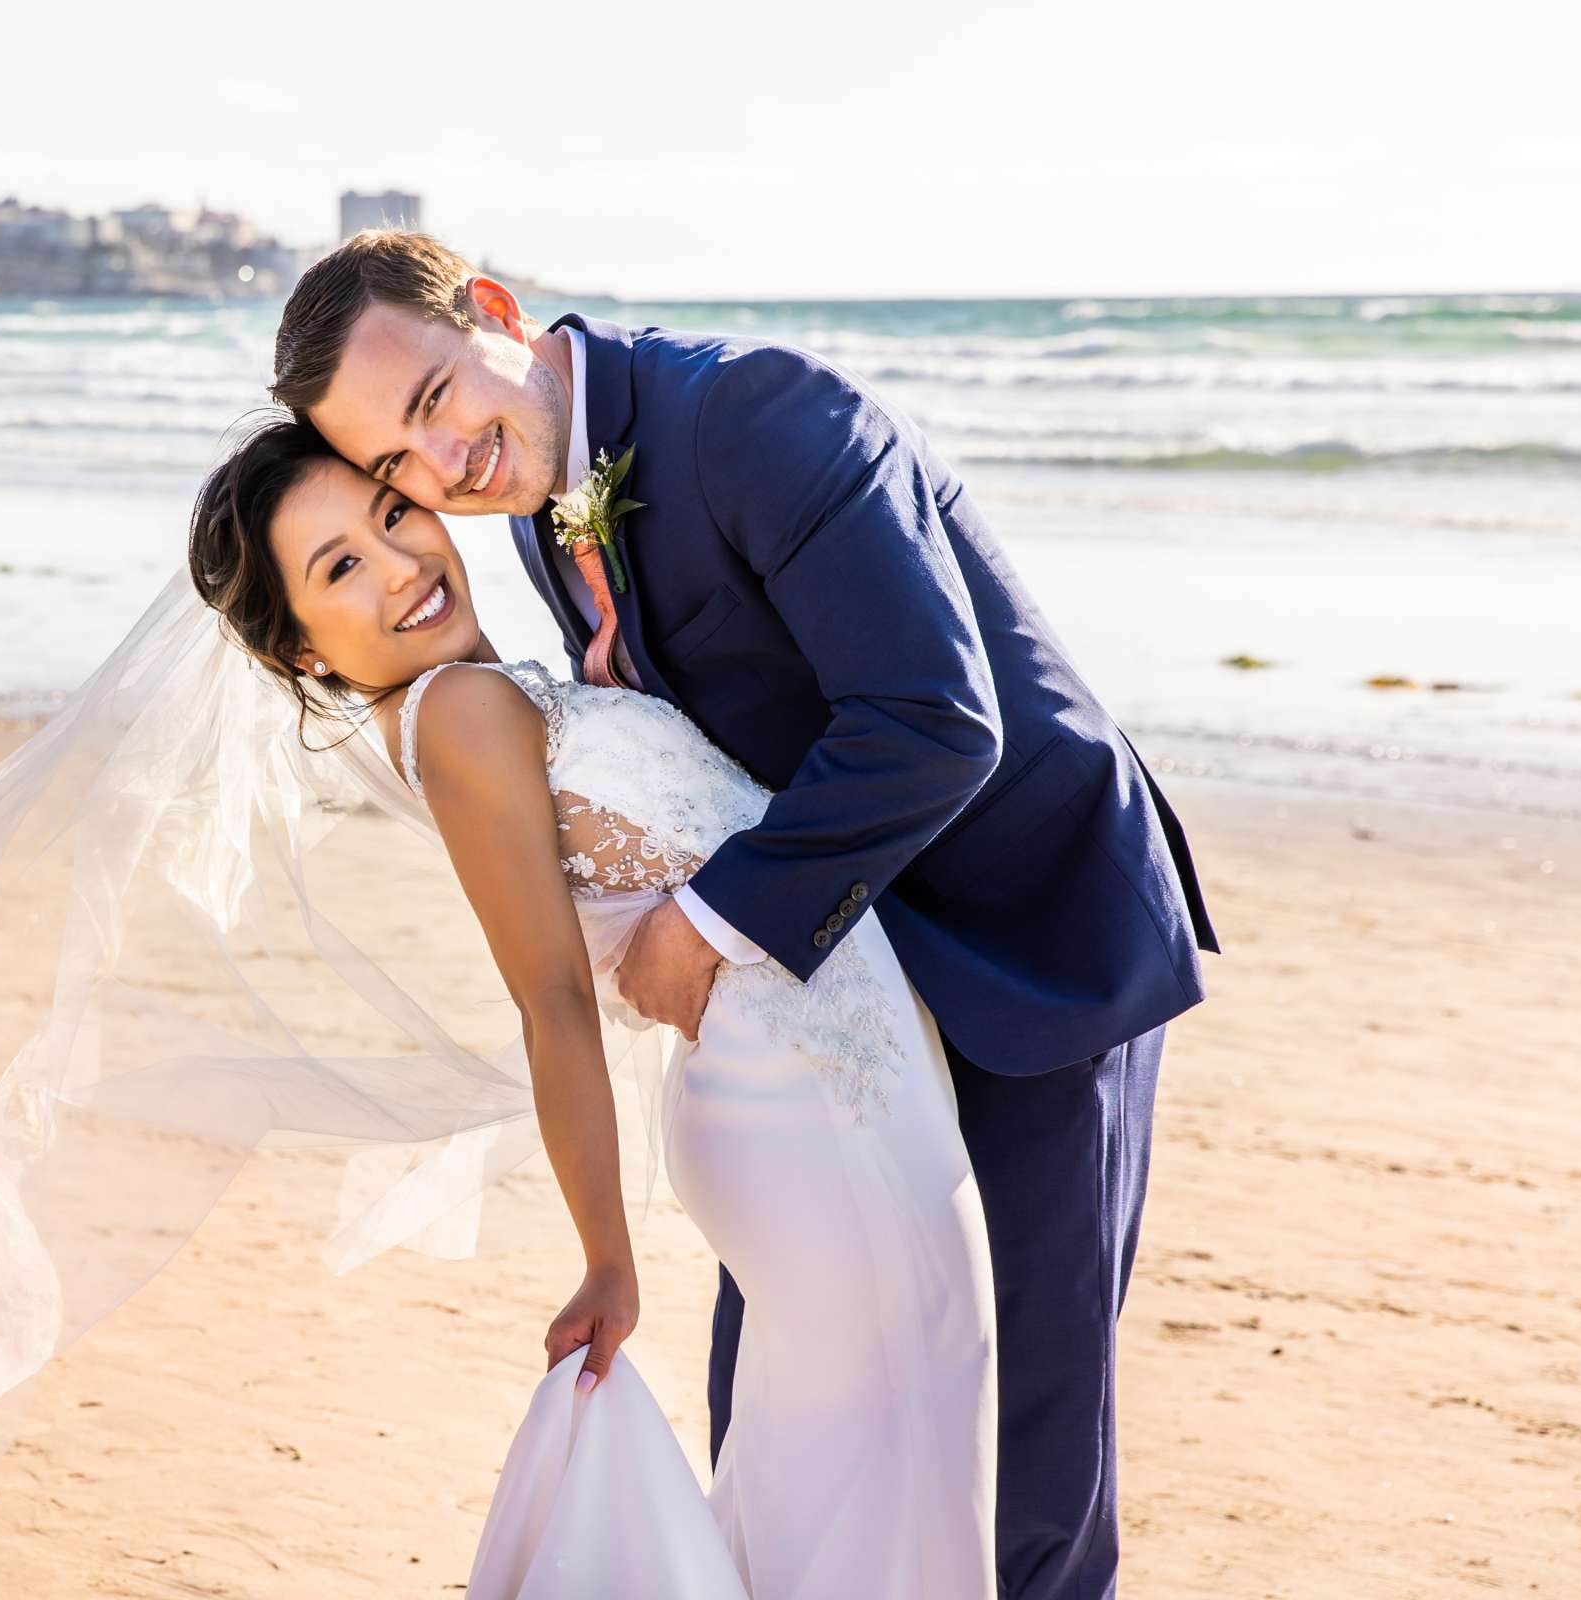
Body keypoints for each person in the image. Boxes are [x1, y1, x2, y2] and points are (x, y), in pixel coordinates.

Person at [270, 232, 1221, 1599]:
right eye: (397, 469)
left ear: (493, 311)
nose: (442, 471)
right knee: (786, 1423)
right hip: (840, 995)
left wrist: (704, 927)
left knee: (1018, 1458)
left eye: (432, 404)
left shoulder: (758, 414)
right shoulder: (547, 492)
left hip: (1024, 946)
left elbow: (936, 726)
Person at [186, 417, 1001, 1595]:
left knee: (865, 1463)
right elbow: (552, 999)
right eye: (340, 568)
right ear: (305, 653)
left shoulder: (481, 699)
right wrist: (606, 1260)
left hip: (842, 1085)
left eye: (392, 515)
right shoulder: (457, 715)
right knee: (876, 1477)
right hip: (804, 1109)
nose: (401, 564)